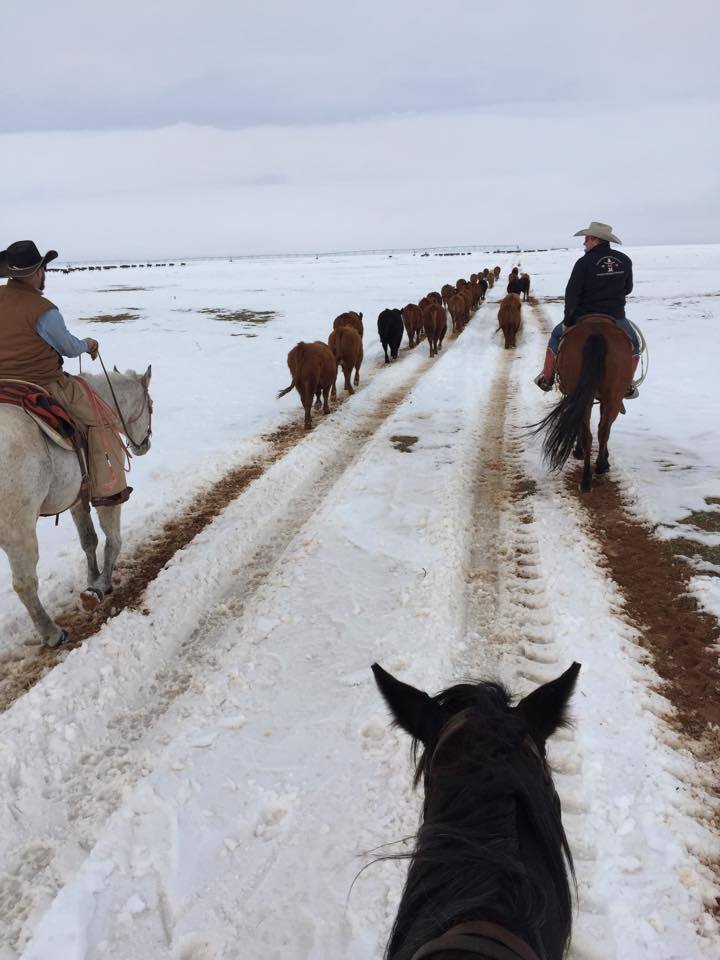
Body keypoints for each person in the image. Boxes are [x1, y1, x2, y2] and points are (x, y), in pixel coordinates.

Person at [0, 240, 132, 506]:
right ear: (38, 271)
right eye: (44, 269)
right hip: (43, 383)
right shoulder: (43, 310)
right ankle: (107, 489)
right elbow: (68, 348)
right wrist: (88, 344)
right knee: (101, 419)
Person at [534, 222, 640, 397]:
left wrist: (569, 321)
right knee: (634, 346)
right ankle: (627, 383)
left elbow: (572, 294)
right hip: (616, 317)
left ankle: (547, 378)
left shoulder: (583, 262)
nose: (584, 243)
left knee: (555, 336)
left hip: (583, 315)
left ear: (595, 239)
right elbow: (628, 289)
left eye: (586, 239)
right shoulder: (624, 260)